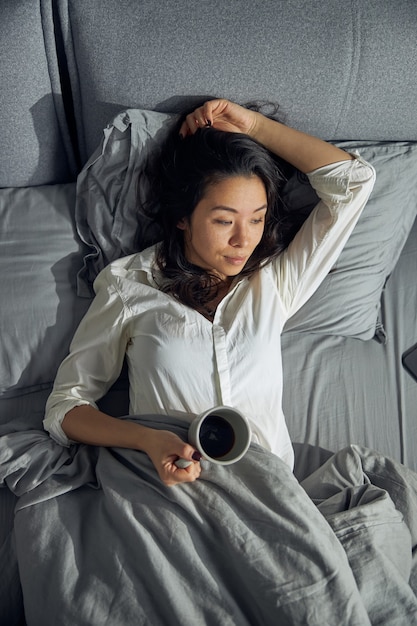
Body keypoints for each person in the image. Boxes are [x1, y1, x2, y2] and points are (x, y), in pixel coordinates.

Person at [43, 98, 376, 486]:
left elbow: (353, 182)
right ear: (182, 216)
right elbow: (65, 408)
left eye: (257, 218)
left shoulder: (274, 282)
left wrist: (252, 126)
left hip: (272, 496)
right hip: (175, 493)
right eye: (224, 220)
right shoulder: (130, 285)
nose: (243, 240)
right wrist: (148, 439)